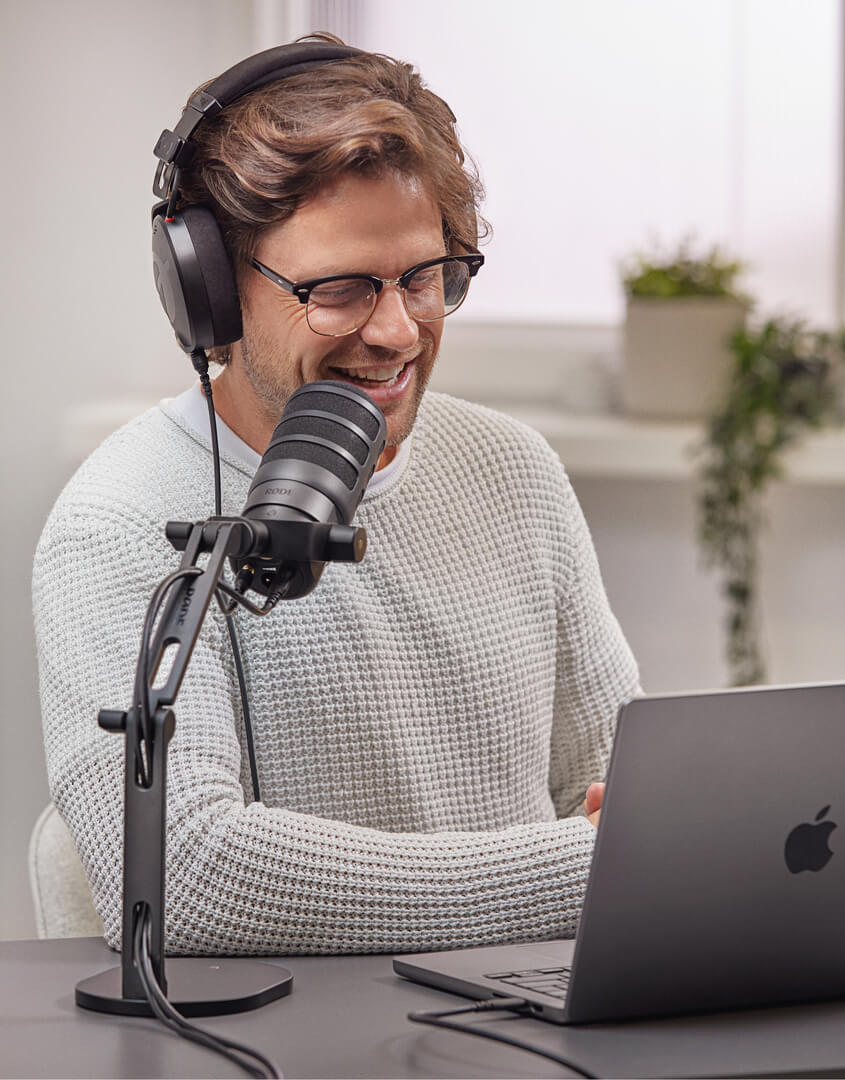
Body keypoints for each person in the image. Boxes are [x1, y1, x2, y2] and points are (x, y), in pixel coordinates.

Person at [33, 36, 639, 957]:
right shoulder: (115, 522)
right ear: (213, 295)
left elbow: (621, 796)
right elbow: (181, 876)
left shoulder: (514, 468)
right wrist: (580, 874)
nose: (397, 331)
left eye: (424, 277)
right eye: (342, 289)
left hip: (535, 1029)